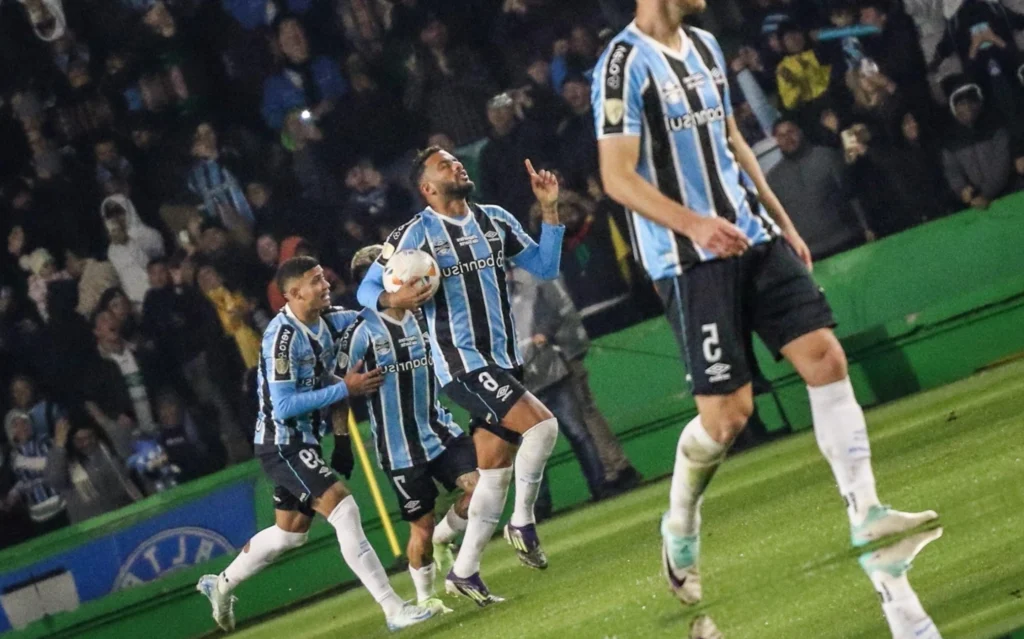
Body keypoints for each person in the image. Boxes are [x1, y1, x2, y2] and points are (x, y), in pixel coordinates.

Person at [592, 0, 937, 606]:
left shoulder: (703, 45)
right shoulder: (622, 64)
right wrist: (695, 225)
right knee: (727, 418)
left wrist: (784, 222)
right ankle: (679, 525)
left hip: (752, 236)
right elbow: (617, 177)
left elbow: (731, 140)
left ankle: (867, 512)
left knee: (825, 357)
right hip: (690, 259)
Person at [357, 147, 563, 601]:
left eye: (456, 160)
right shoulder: (415, 235)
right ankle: (523, 522)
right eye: (445, 165)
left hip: (505, 361)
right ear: (427, 188)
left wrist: (549, 211)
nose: (458, 166)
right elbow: (366, 287)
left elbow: (546, 266)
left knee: (494, 475)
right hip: (462, 363)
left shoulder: (495, 219)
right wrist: (393, 301)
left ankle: (464, 572)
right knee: (544, 427)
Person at [196, 256, 434, 633]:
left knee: (290, 534)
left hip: (304, 442)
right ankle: (394, 608)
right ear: (292, 294)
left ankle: (220, 585)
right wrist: (345, 388)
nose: (325, 285)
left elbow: (364, 316)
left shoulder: (328, 320)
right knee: (344, 508)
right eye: (315, 281)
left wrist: (390, 289)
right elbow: (284, 404)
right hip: (282, 443)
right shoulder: (282, 339)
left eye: (323, 277)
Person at [343, 245, 481, 611]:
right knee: (419, 526)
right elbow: (337, 382)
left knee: (482, 490)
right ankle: (425, 598)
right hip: (399, 448)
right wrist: (349, 391)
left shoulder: (424, 317)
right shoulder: (362, 332)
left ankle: (443, 538)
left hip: (439, 430)